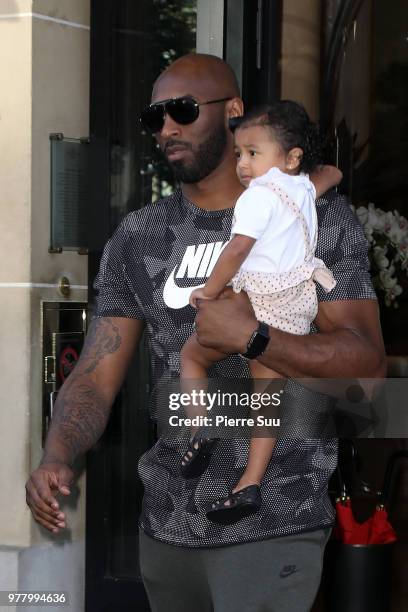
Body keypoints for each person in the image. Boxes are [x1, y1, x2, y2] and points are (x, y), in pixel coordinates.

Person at [25, 54, 386, 612]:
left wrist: (256, 337)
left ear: (235, 111)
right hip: (165, 533)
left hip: (273, 526)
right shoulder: (140, 236)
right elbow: (96, 375)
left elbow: (367, 370)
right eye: (155, 118)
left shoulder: (314, 218)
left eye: (183, 111)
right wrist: (56, 453)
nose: (167, 127)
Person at [179, 101, 341, 525]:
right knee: (266, 400)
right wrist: (300, 171)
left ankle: (199, 427)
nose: (243, 164)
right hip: (296, 304)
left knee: (192, 356)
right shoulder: (301, 187)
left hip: (259, 299)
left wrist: (206, 292)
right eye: (239, 154)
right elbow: (334, 173)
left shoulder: (257, 198)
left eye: (254, 153)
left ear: (289, 157)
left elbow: (237, 251)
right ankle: (249, 484)